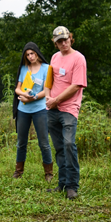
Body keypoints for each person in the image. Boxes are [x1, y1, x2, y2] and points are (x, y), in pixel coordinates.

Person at [45, 26, 87, 200]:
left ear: (71, 38)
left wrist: (56, 100)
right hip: (52, 109)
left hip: (68, 108)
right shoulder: (55, 57)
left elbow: (76, 85)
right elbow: (49, 81)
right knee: (59, 147)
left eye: (65, 39)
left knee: (69, 145)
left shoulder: (78, 58)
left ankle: (72, 185)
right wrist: (48, 97)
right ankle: (62, 183)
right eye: (59, 41)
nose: (63, 43)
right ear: (55, 43)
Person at [12, 42, 53, 181]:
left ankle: (48, 173)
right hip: (23, 108)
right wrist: (22, 96)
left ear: (37, 53)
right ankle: (19, 171)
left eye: (32, 53)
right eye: (27, 55)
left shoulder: (46, 68)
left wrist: (34, 97)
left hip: (40, 108)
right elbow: (18, 88)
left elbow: (47, 89)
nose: (30, 57)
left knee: (43, 142)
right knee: (21, 142)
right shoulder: (24, 68)